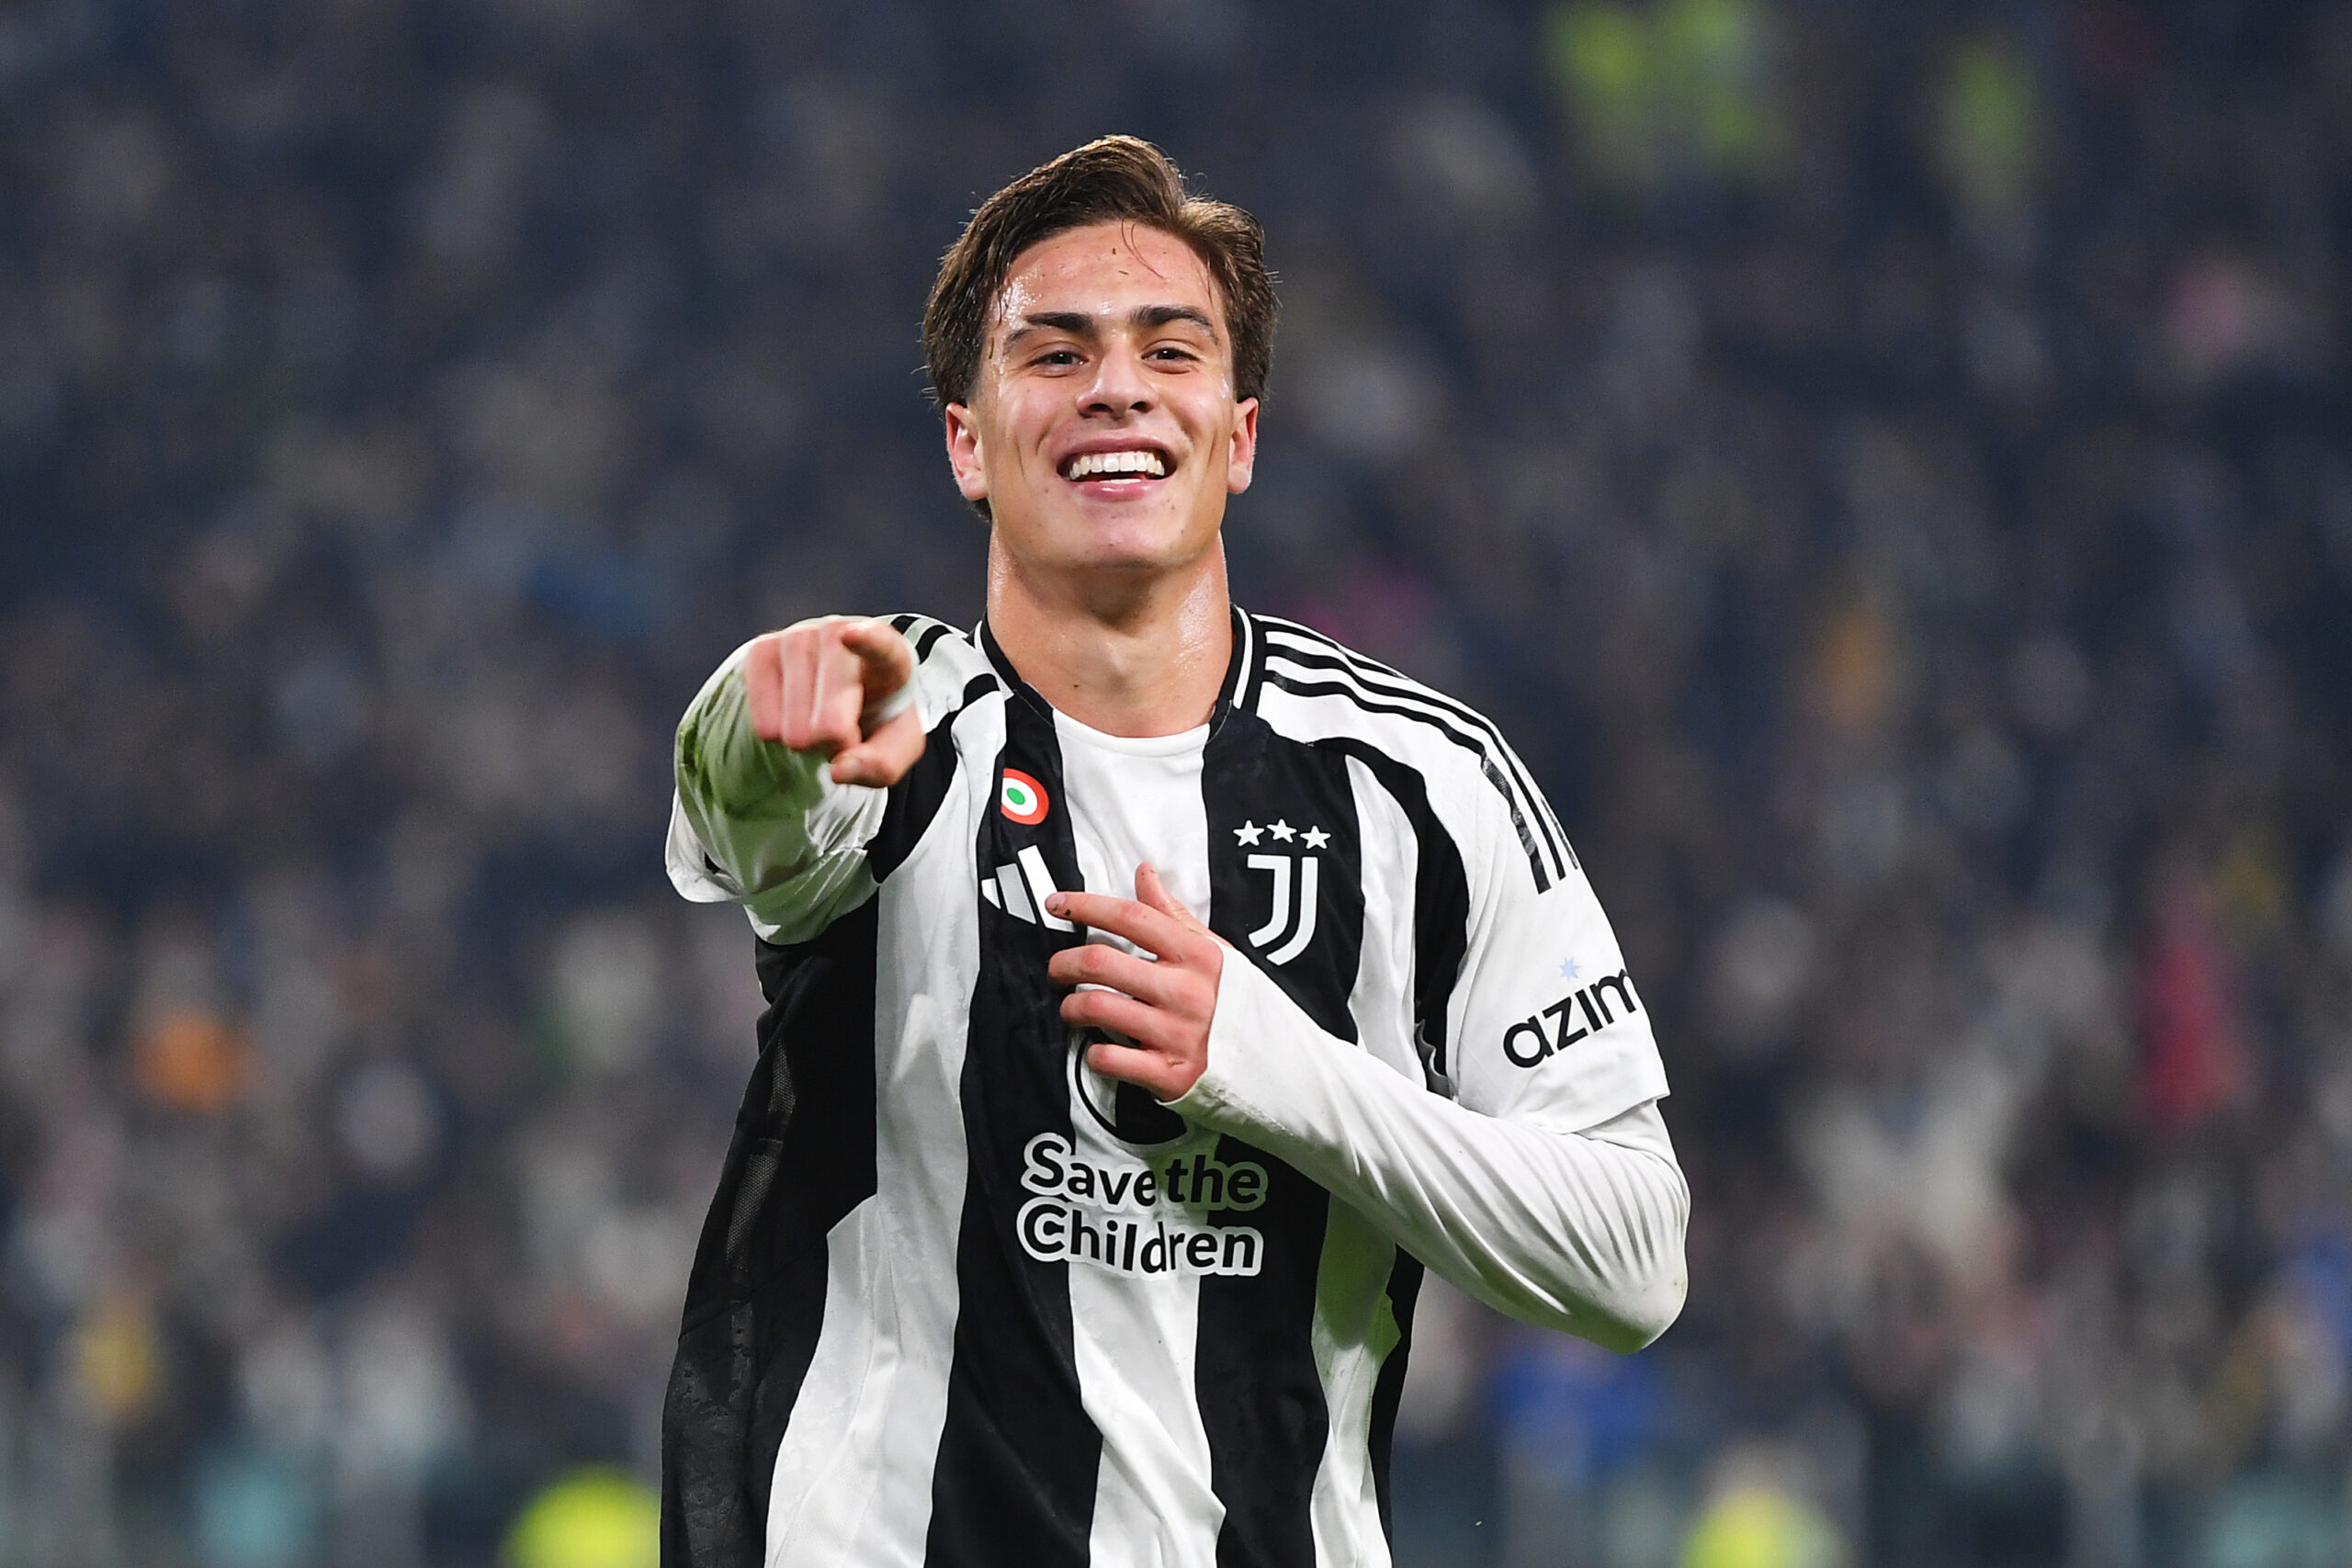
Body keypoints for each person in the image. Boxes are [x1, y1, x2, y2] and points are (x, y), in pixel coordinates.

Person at [662, 135, 1689, 1567]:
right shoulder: (900, 720)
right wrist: (764, 715)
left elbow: (1634, 1262)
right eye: (1055, 353)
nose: (1117, 387)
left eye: (1169, 348)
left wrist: (1275, 1070)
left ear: (1240, 434)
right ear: (968, 440)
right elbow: (751, 803)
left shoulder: (1423, 787)